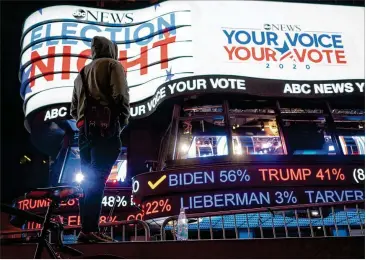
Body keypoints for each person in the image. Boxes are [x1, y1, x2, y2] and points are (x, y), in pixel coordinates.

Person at [71, 36, 130, 243]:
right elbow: (120, 96)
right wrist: (121, 122)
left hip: (84, 133)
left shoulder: (81, 73)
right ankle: (90, 231)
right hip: (105, 130)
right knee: (97, 179)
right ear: (111, 49)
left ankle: (86, 229)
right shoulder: (113, 65)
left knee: (88, 180)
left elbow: (73, 109)